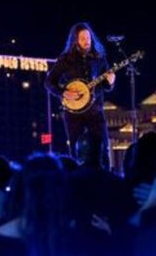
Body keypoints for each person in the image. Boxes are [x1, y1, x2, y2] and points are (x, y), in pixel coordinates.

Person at [45, 22, 114, 169]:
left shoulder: (99, 58)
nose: (86, 40)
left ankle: (105, 179)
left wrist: (110, 82)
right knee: (76, 150)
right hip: (73, 112)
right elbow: (49, 82)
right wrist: (63, 92)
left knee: (102, 148)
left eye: (88, 37)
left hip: (95, 110)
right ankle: (76, 181)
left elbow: (105, 86)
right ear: (75, 40)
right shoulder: (66, 59)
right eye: (82, 38)